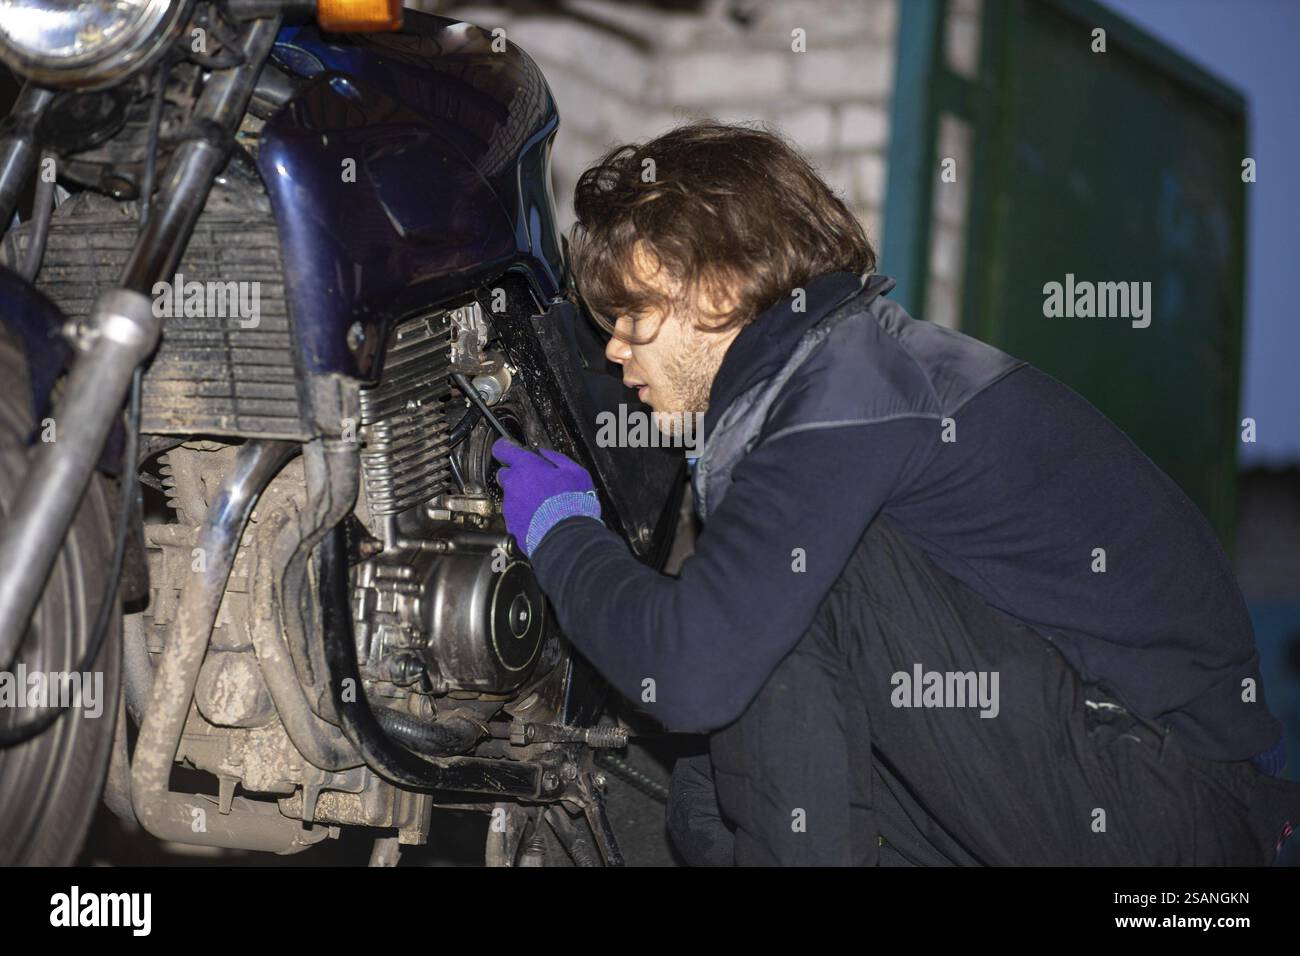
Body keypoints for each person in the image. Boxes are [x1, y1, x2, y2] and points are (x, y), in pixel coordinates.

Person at [490, 121, 1300, 866]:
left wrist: (563, 534)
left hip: (1178, 817)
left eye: (634, 318)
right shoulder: (848, 380)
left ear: (721, 286)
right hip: (1116, 789)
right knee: (723, 717)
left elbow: (695, 668)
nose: (620, 355)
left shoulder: (851, 388)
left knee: (779, 593)